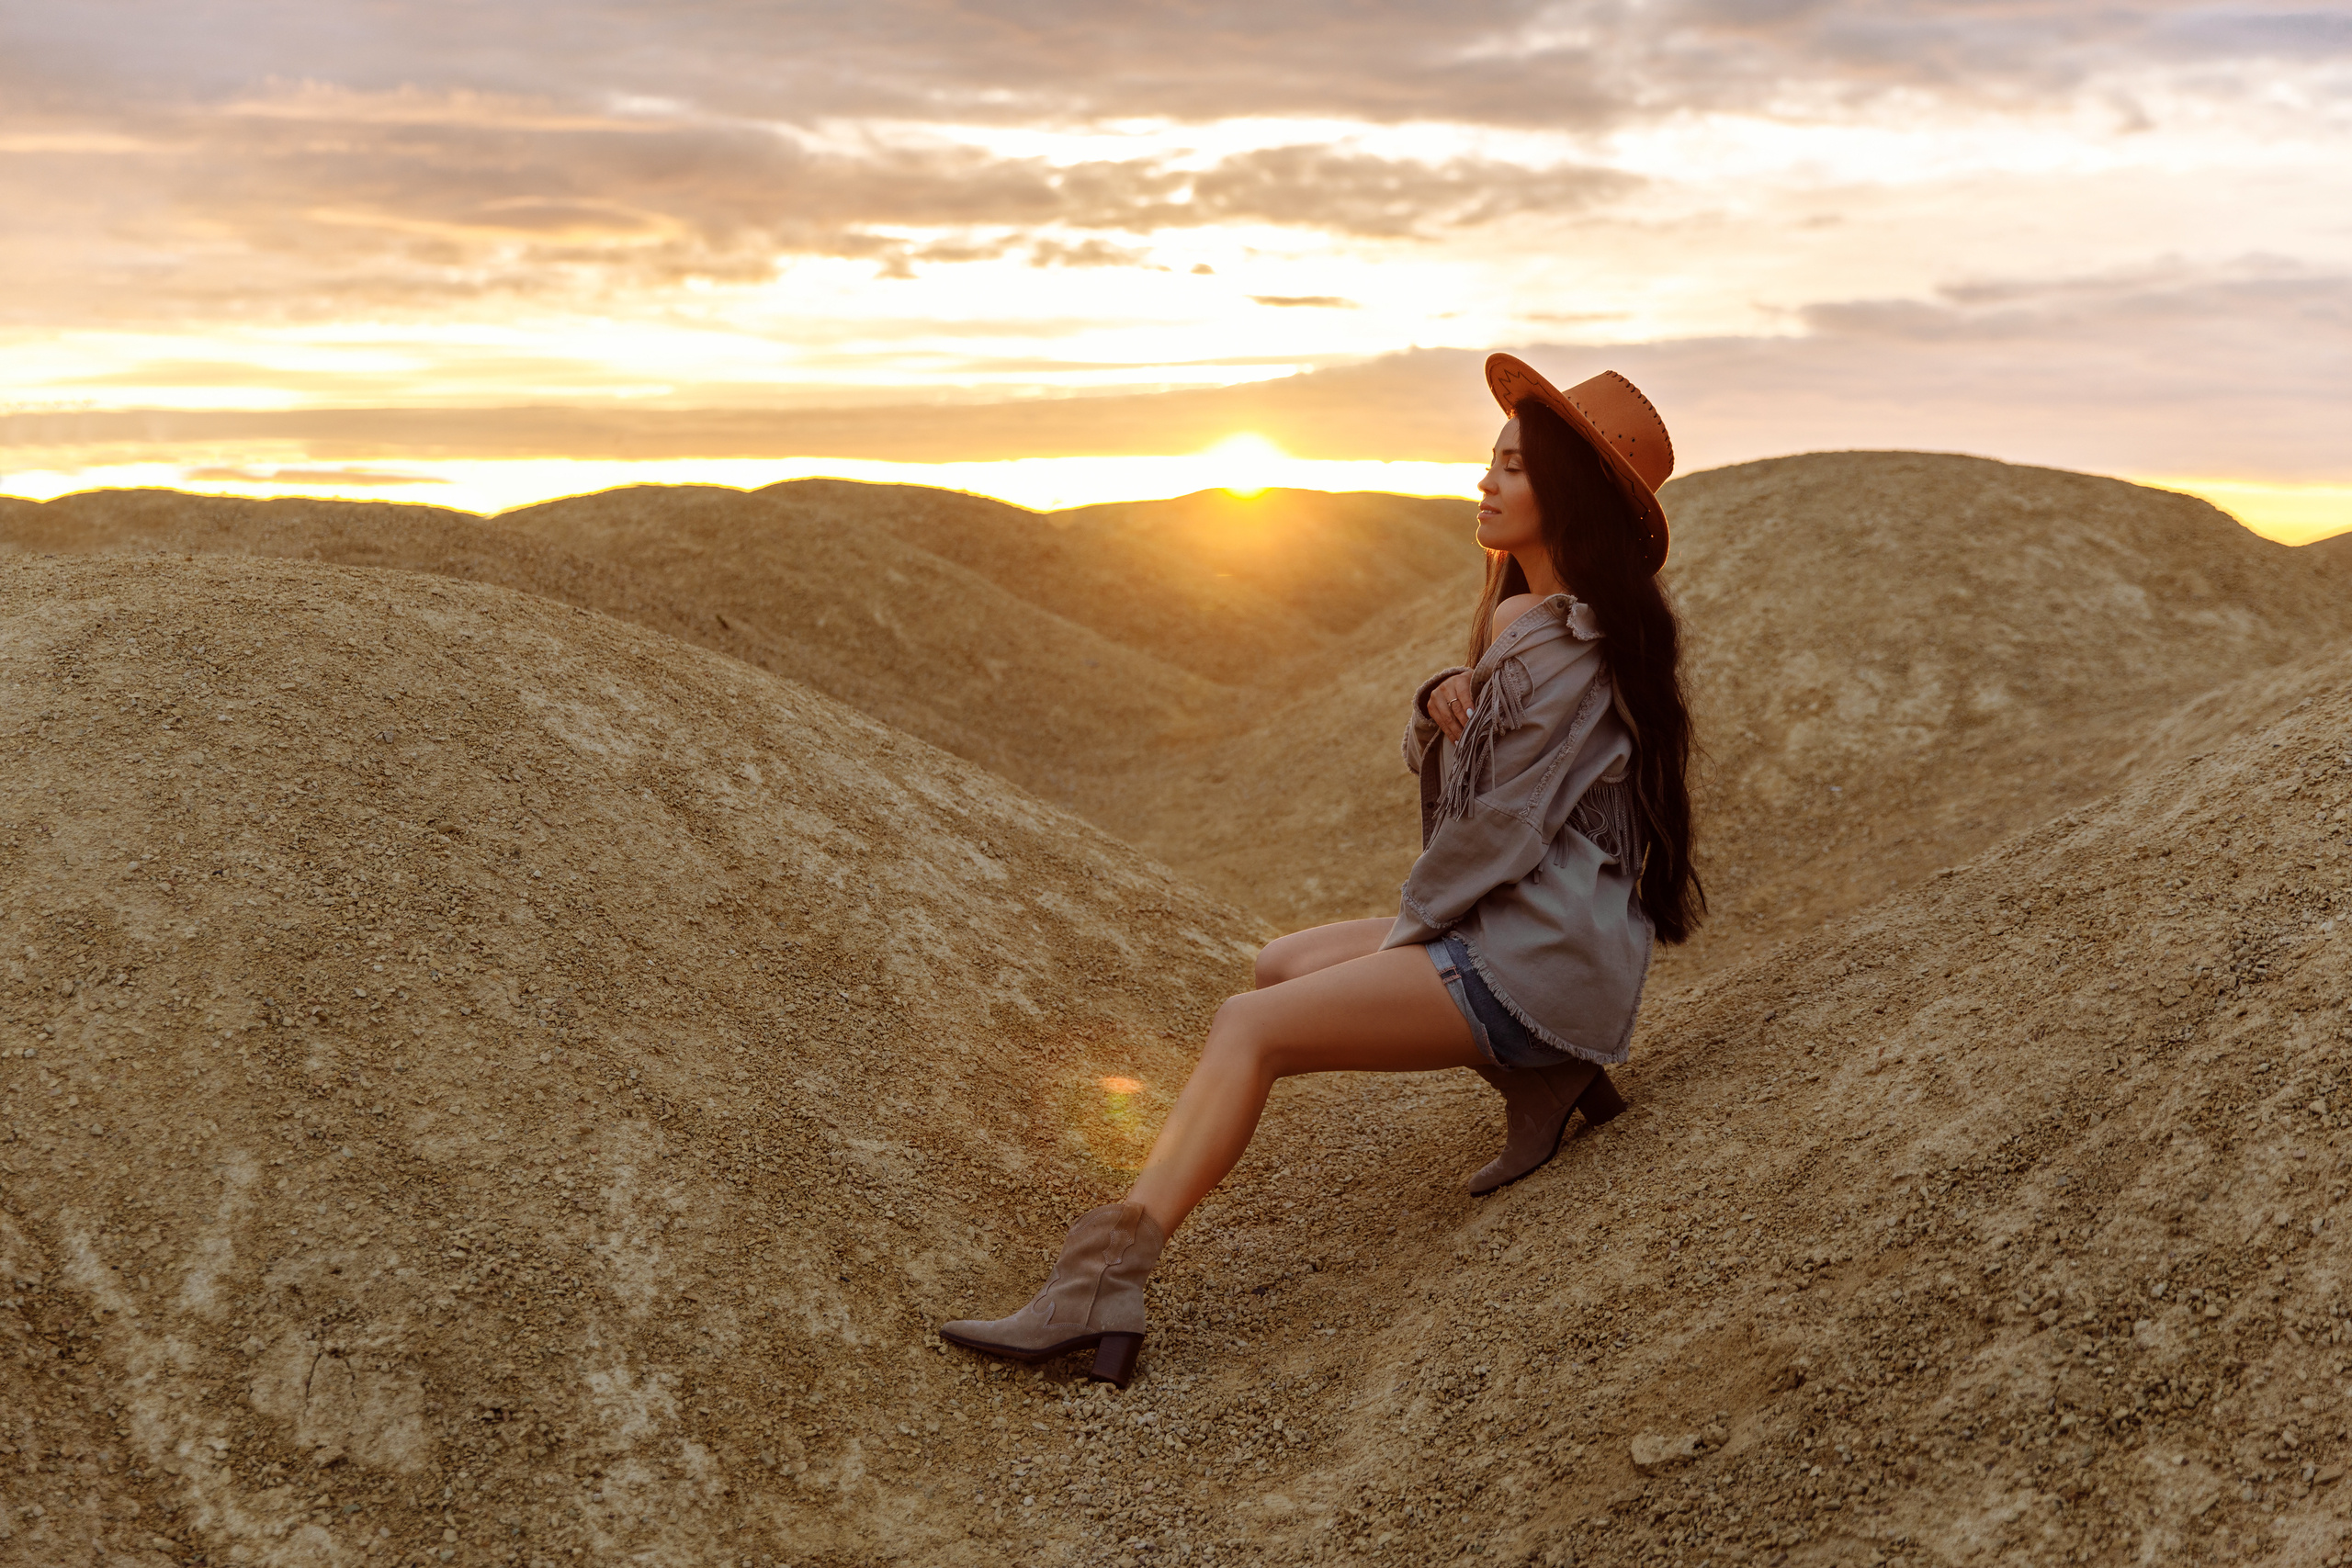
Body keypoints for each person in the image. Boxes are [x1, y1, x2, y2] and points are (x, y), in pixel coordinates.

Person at [939, 355, 1703, 1388]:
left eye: (1512, 468)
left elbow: (1498, 832)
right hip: (1536, 926)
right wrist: (1440, 689)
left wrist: (1411, 938)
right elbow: (1476, 765)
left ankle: (1102, 1279)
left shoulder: (1557, 644)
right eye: (1491, 461)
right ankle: (1549, 1077)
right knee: (1278, 966)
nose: (1484, 483)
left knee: (1248, 1026)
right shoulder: (1530, 629)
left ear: (1565, 495)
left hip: (1537, 947)